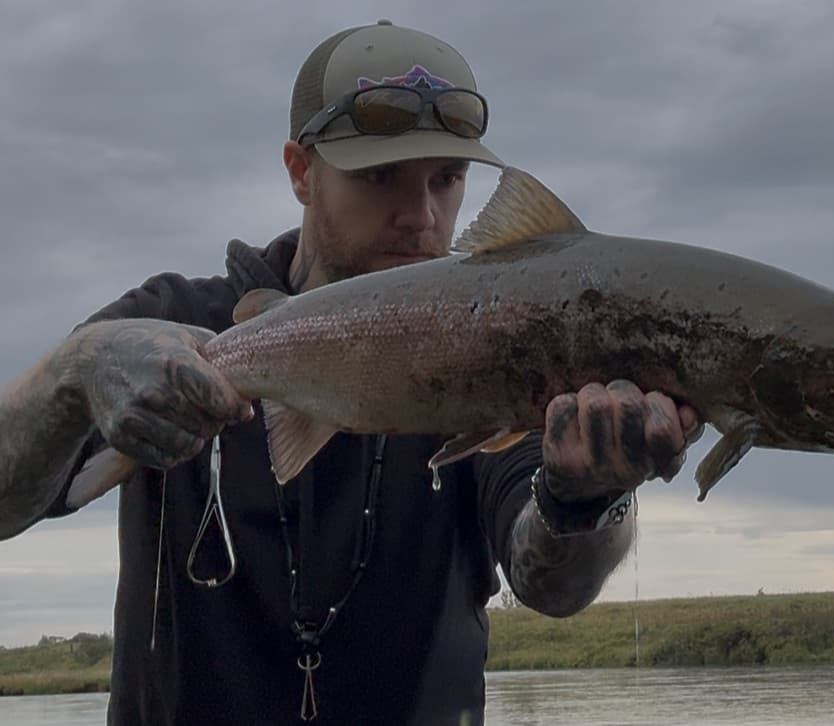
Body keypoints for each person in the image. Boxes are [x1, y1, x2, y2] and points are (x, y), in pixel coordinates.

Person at [0, 19, 701, 725]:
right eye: (380, 178)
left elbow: (549, 584)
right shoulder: (173, 324)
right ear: (301, 173)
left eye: (447, 179)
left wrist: (588, 496)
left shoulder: (510, 352)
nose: (421, 215)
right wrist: (74, 372)